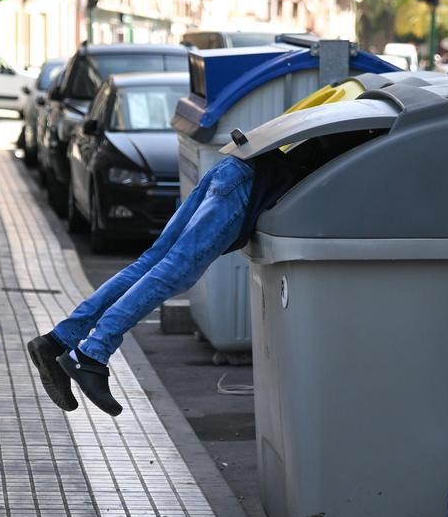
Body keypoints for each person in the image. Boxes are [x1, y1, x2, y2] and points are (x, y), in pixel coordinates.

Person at [26, 147, 301, 416]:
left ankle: (56, 342)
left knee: (153, 263)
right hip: (248, 186)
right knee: (175, 271)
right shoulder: (342, 141)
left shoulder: (331, 117)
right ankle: (91, 356)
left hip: (234, 169)